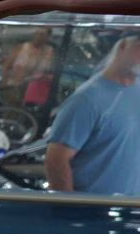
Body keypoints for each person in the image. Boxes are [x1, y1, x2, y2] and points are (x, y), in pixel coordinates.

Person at [46, 35, 140, 195]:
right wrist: (69, 209)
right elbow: (56, 159)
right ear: (123, 46)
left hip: (130, 210)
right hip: (95, 211)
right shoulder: (87, 100)